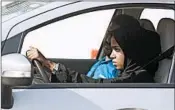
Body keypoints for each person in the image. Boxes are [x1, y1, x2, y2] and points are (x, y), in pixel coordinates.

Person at [27, 14, 161, 83]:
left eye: (118, 50)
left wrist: (50, 65)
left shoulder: (136, 80)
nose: (111, 55)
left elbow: (97, 85)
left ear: (132, 51)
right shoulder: (130, 74)